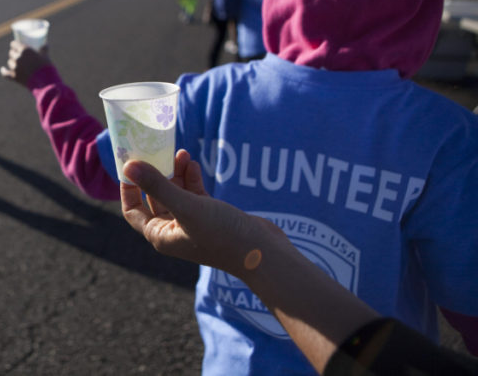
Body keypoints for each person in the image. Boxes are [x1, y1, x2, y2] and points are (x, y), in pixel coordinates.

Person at [0, 0, 478, 375]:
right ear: (422, 4)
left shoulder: (209, 94)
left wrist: (42, 80)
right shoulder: (450, 140)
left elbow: (94, 167)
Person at [120, 151, 478, 376]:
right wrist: (246, 245)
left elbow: (92, 160)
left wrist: (59, 88)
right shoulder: (453, 135)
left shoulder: (218, 89)